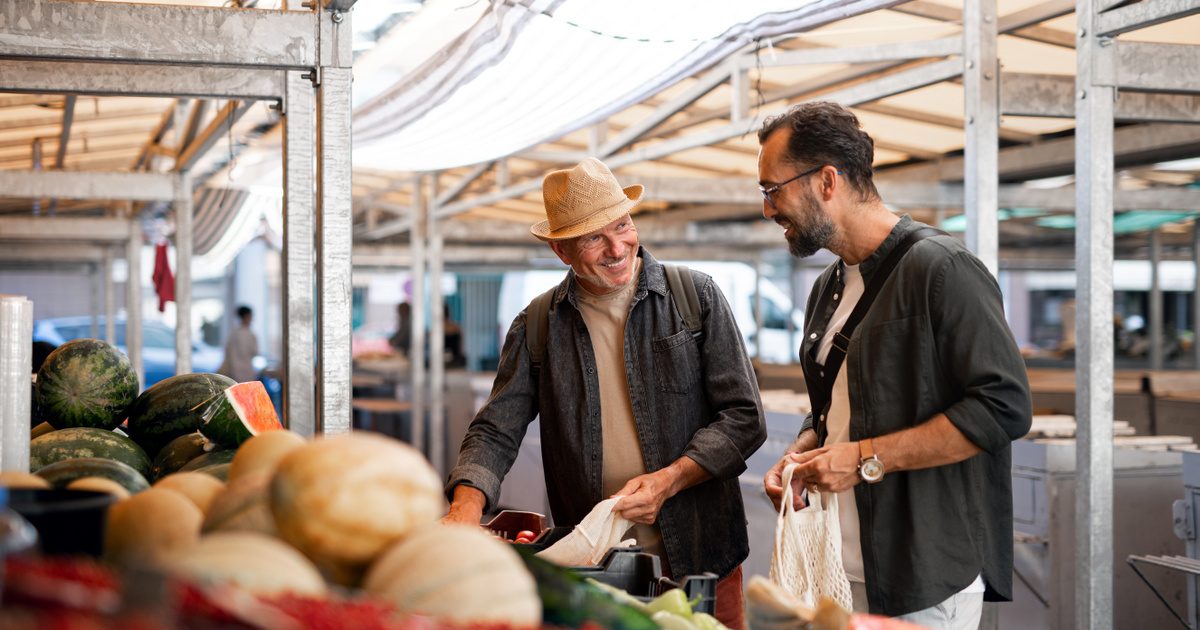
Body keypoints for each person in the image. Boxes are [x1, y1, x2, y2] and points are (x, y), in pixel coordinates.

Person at [443, 157, 766, 629]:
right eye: (594, 236)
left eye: (622, 225)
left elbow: (743, 418)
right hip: (595, 567)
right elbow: (496, 430)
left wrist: (668, 480)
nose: (618, 247)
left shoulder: (694, 297)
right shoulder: (537, 325)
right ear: (561, 250)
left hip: (702, 558)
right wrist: (464, 509)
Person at [756, 102, 1031, 628]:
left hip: (923, 571)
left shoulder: (943, 269)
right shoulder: (828, 286)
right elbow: (841, 405)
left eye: (773, 190)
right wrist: (803, 452)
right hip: (842, 563)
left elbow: (1003, 408)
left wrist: (860, 459)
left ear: (827, 181)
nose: (768, 209)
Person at [219, 305, 259, 383]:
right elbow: (255, 352)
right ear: (247, 316)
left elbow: (227, 353)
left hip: (233, 372)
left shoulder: (233, 333)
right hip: (246, 372)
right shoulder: (250, 334)